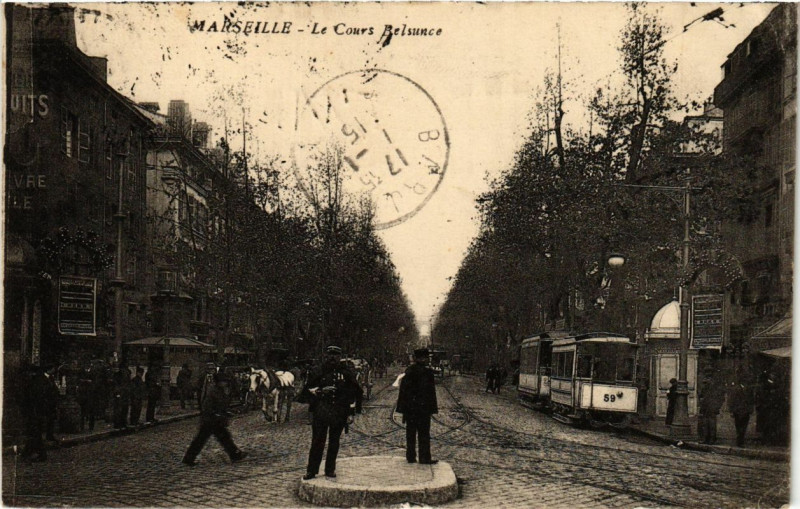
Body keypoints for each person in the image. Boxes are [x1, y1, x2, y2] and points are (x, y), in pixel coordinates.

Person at [303, 345, 363, 480]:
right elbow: (307, 390)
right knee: (317, 442)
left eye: (335, 355)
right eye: (330, 355)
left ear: (339, 357)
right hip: (321, 411)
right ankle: (312, 471)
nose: (332, 358)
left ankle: (330, 469)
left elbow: (354, 392)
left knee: (334, 442)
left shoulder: (346, 372)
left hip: (339, 412)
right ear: (326, 356)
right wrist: (320, 391)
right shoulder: (318, 370)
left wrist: (351, 413)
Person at [182, 372, 247, 466]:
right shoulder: (213, 391)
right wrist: (217, 414)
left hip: (216, 420)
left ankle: (235, 454)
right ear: (219, 382)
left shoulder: (220, 390)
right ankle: (188, 459)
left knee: (224, 437)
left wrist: (226, 413)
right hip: (210, 420)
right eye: (224, 381)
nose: (225, 383)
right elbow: (207, 407)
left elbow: (222, 405)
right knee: (202, 439)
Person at [396, 348, 439, 465]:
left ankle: (410, 456)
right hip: (423, 409)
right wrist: (432, 409)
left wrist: (403, 409)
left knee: (410, 433)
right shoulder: (427, 373)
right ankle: (424, 457)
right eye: (426, 357)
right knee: (424, 434)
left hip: (411, 409)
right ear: (423, 358)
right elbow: (430, 394)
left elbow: (403, 392)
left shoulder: (409, 371)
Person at [20, 365, 51, 462]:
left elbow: (35, 398)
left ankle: (40, 454)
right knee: (34, 433)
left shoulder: (36, 382)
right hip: (38, 411)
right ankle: (27, 452)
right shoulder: (40, 380)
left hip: (36, 411)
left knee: (35, 433)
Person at [728, 379, 754, 447]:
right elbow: (731, 400)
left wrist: (750, 409)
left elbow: (751, 400)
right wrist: (731, 411)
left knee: (744, 426)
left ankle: (741, 440)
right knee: (739, 426)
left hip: (745, 411)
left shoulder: (749, 390)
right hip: (738, 411)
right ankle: (739, 441)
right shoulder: (735, 389)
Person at [698, 379, 725, 445]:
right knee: (706, 424)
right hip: (707, 408)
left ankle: (711, 439)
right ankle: (707, 439)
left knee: (710, 424)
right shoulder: (706, 388)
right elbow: (701, 397)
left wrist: (717, 406)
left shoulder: (715, 389)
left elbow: (721, 398)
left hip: (711, 408)